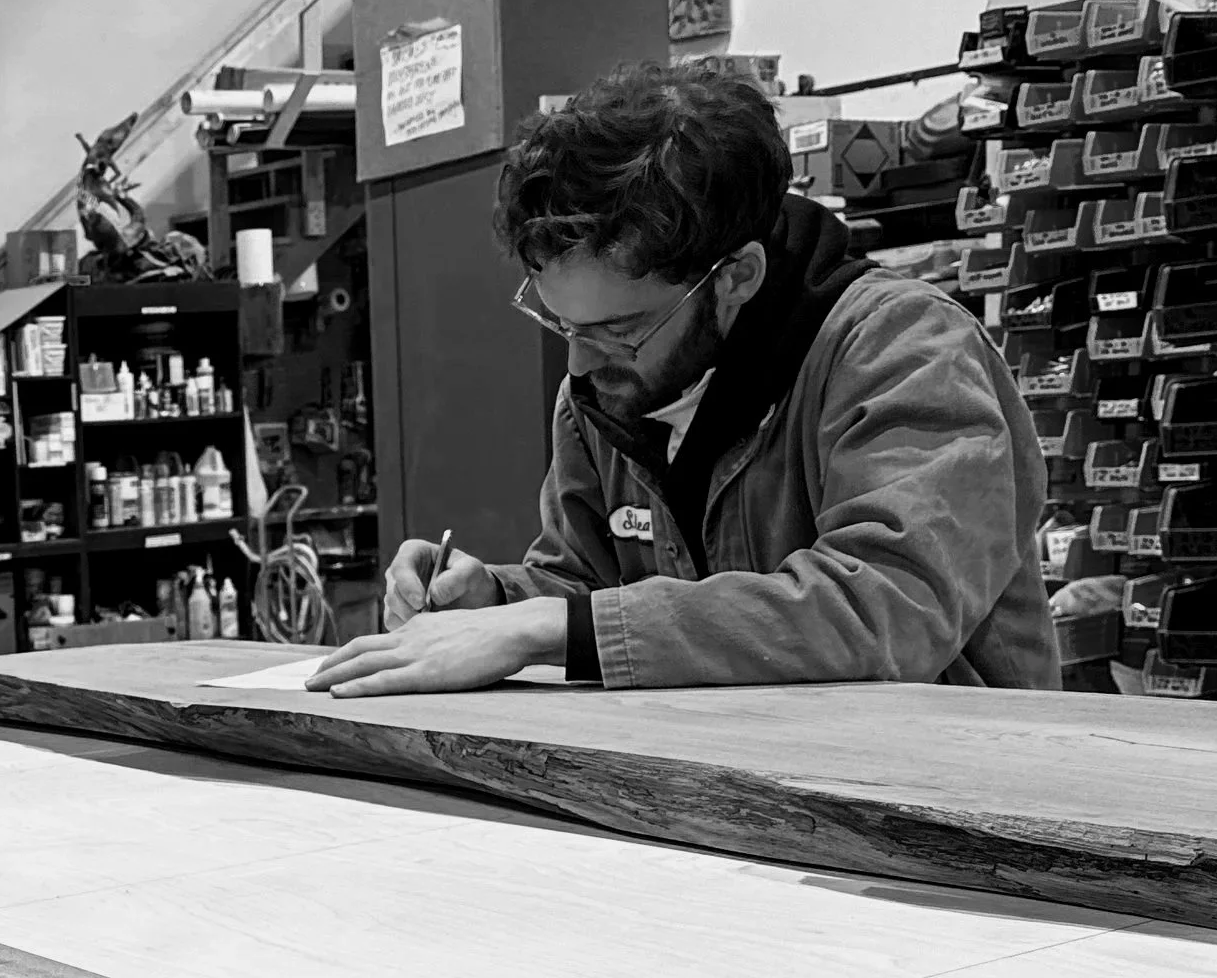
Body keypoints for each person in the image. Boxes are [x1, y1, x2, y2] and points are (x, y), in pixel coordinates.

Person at [312, 59, 1058, 699]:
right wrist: (492, 600)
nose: (578, 365)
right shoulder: (605, 395)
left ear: (734, 278)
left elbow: (887, 610)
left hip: (944, 819)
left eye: (617, 330)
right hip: (745, 803)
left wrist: (552, 627)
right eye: (563, 326)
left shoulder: (904, 349)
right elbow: (589, 587)